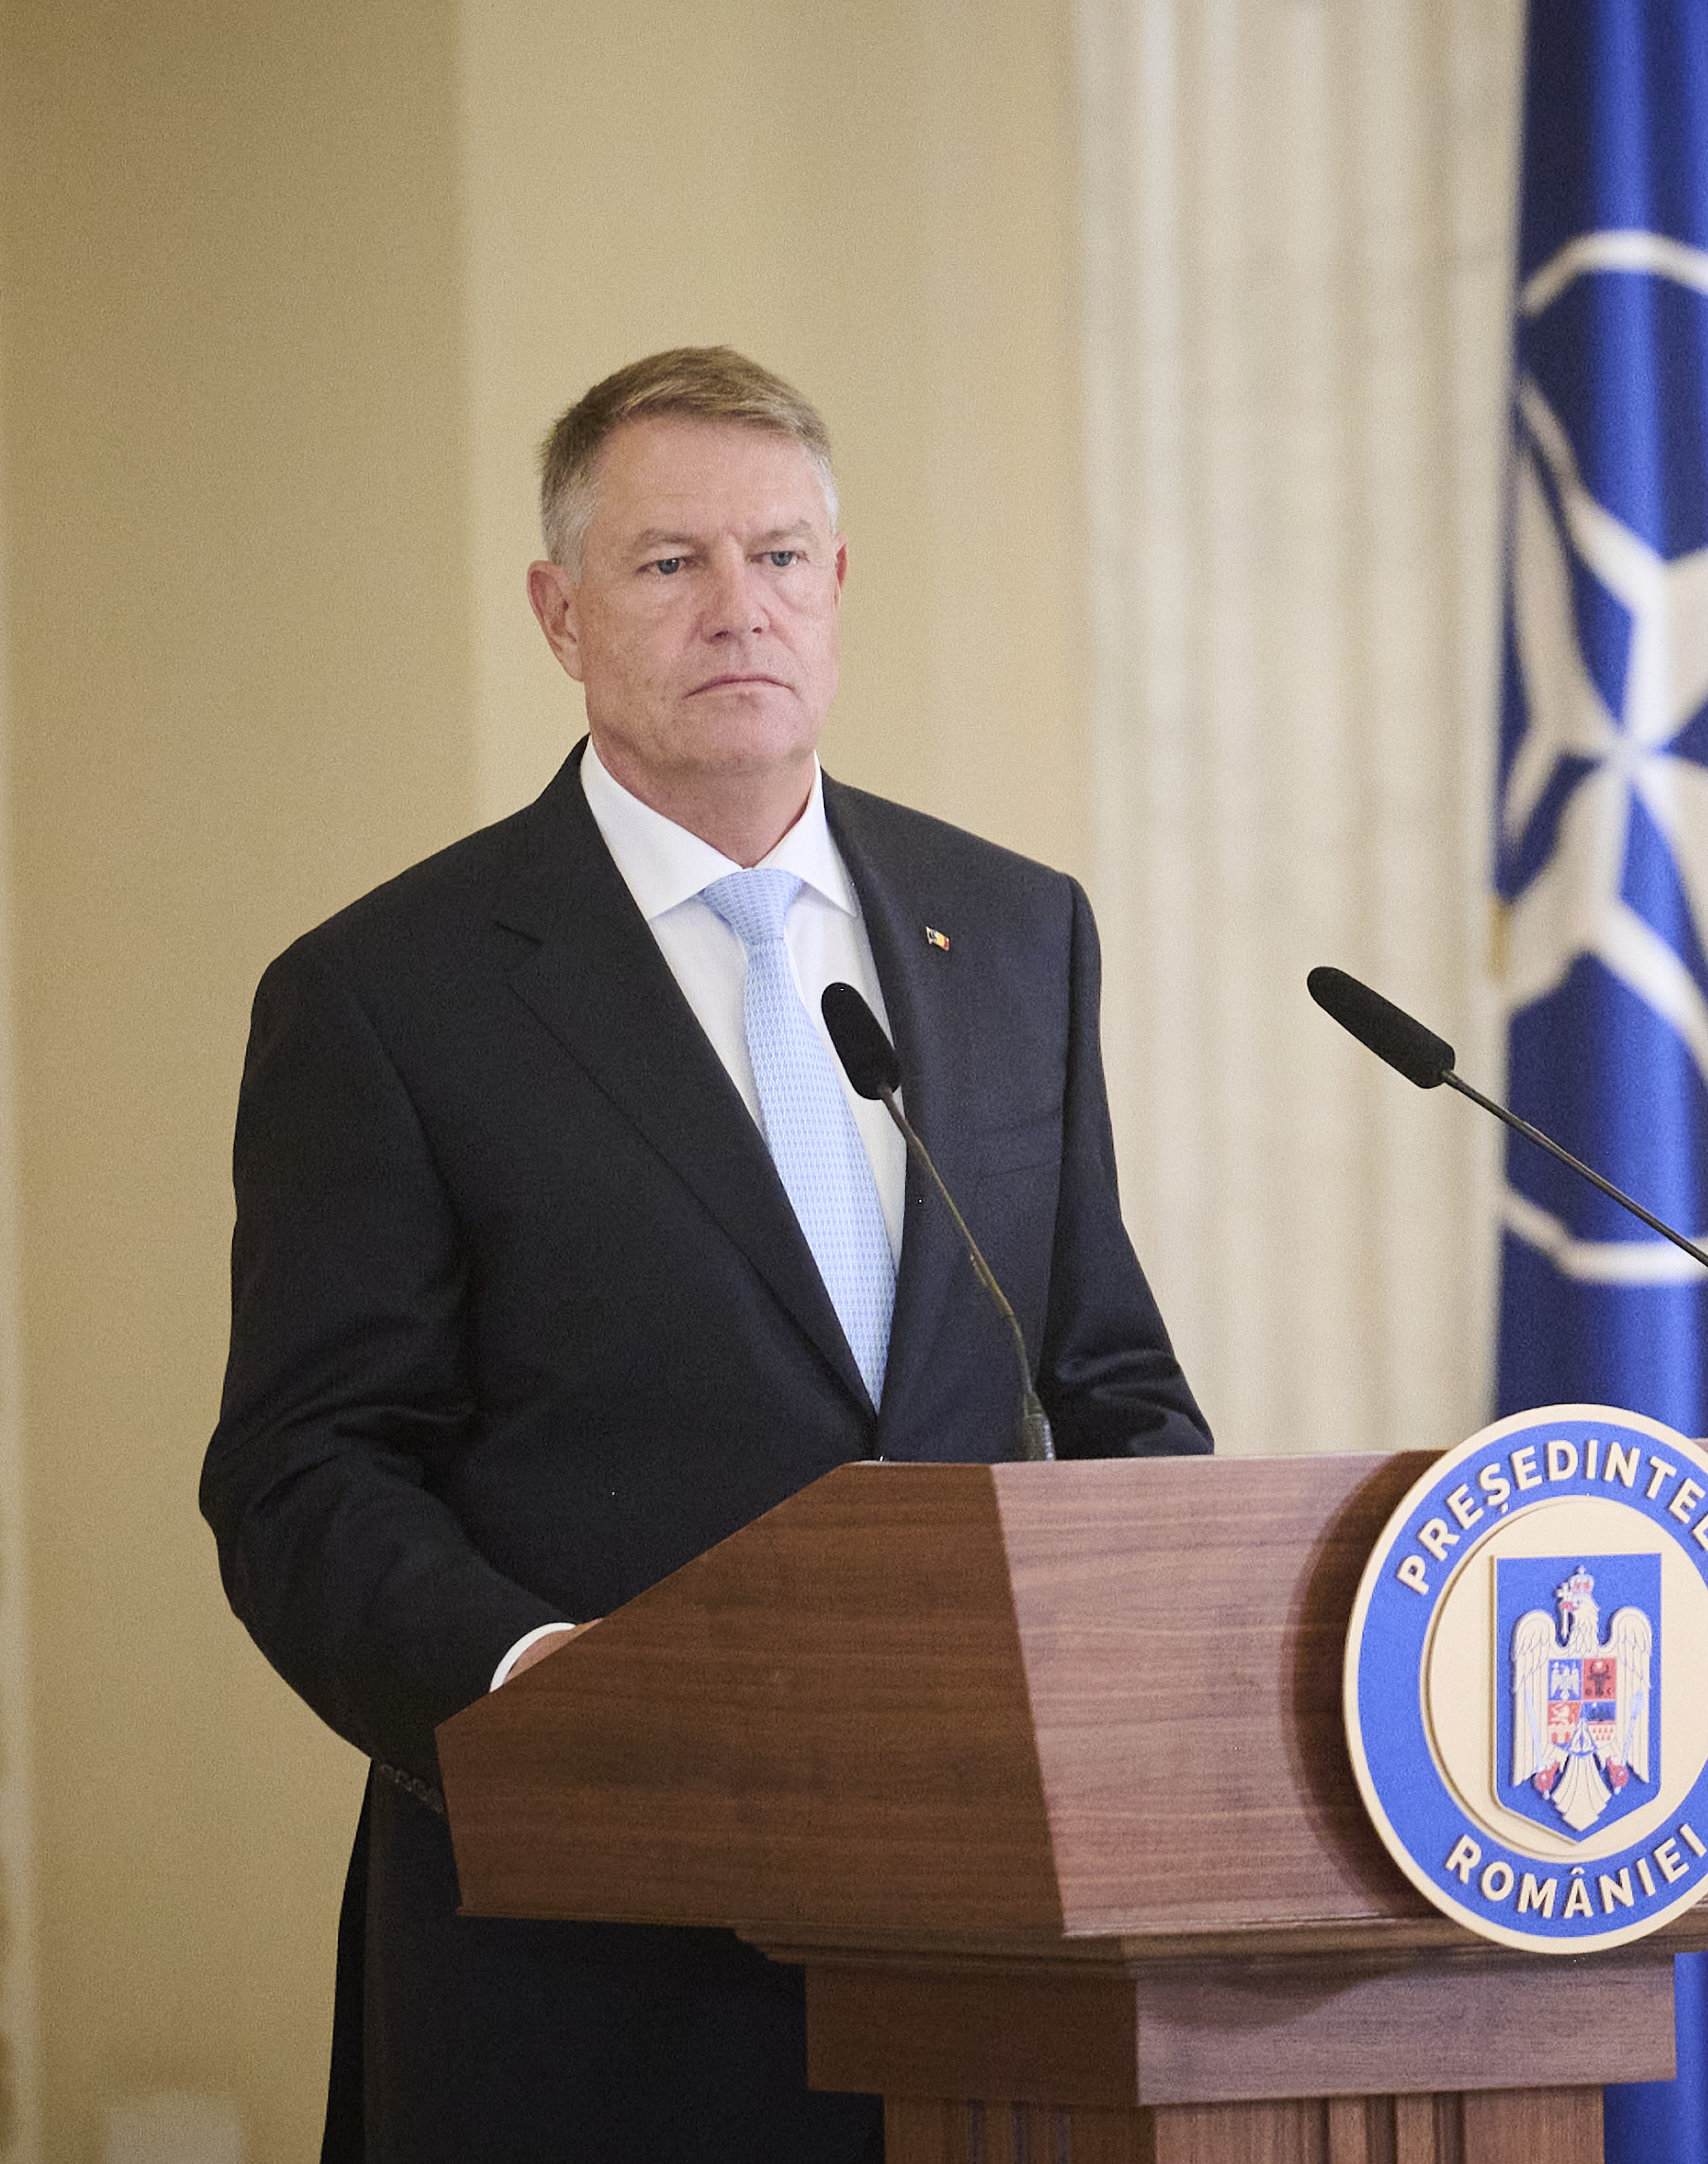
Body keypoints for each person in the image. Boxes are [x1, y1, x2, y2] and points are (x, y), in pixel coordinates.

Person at [201, 347, 1213, 2162]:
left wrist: (1176, 1649)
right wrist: (535, 1686)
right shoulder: (389, 993)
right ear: (560, 612)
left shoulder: (1012, 929)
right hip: (586, 1966)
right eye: (670, 562)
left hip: (984, 1945)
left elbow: (1107, 1379)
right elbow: (303, 1468)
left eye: (782, 557)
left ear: (840, 586)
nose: (738, 607)